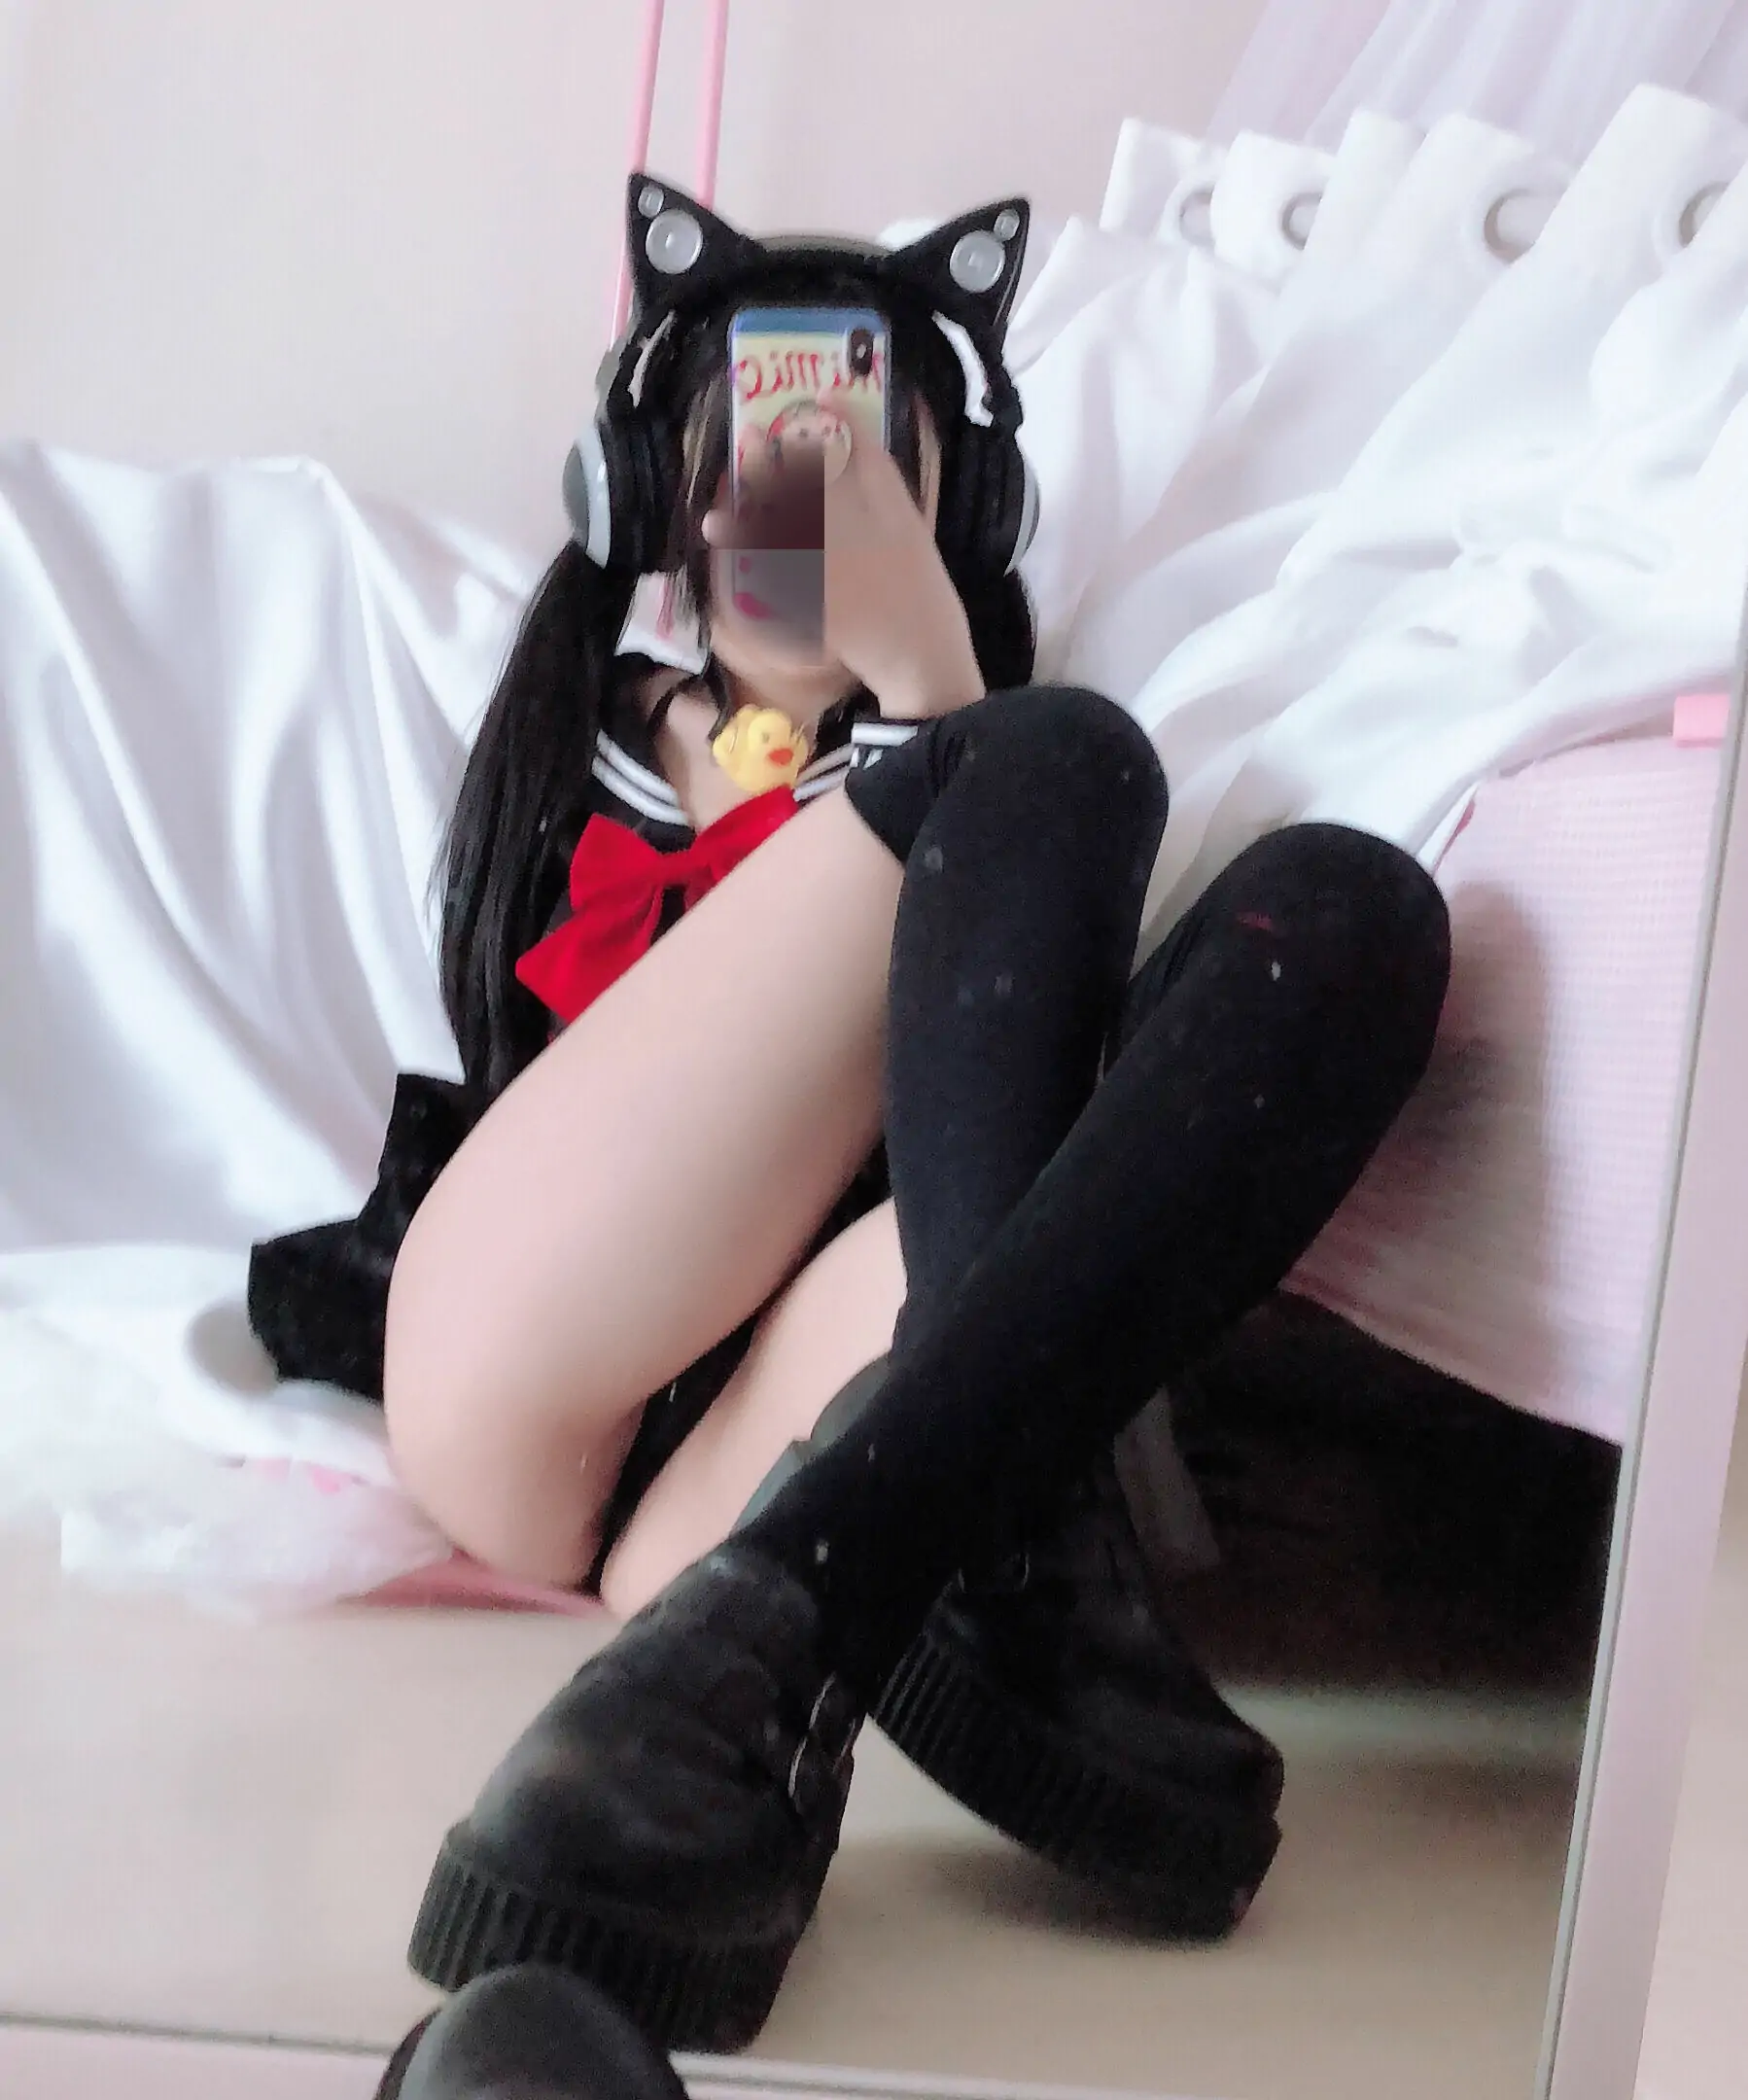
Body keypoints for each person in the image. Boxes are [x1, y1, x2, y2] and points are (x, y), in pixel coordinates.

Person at [248, 179, 1451, 2052]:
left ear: (951, 505)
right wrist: (938, 725)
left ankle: (824, 1595)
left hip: (777, 1450)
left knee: (1352, 910)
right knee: (1052, 759)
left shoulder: (1010, 811)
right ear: (649, 493)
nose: (797, 505)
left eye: (854, 464)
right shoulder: (615, 725)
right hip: (527, 1366)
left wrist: (922, 673)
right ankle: (998, 1516)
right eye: (759, 454)